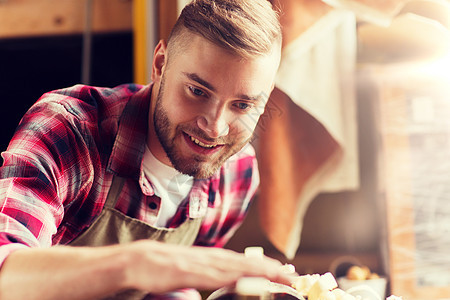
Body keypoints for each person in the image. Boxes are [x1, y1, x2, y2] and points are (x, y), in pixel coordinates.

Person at [0, 0, 292, 299]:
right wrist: (135, 263)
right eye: (197, 91)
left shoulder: (236, 173)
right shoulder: (69, 130)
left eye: (242, 105)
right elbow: (6, 274)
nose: (215, 128)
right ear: (160, 65)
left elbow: (168, 284)